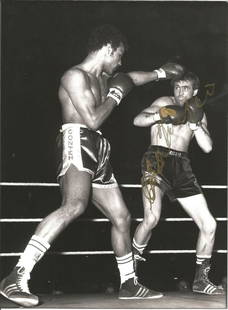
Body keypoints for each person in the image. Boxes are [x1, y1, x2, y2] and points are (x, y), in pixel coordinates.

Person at [0, 24, 185, 307]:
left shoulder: (103, 78)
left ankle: (129, 283)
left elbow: (130, 79)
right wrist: (115, 96)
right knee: (74, 205)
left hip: (98, 147)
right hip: (78, 138)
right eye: (119, 55)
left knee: (122, 217)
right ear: (108, 49)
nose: (120, 62)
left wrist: (159, 73)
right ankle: (17, 275)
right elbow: (93, 120)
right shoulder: (74, 77)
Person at [132, 71, 225, 295]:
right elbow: (137, 120)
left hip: (181, 166)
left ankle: (201, 280)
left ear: (194, 91)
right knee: (152, 218)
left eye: (185, 88)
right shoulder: (164, 102)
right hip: (156, 160)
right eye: (177, 87)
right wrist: (160, 115)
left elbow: (208, 147)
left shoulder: (198, 113)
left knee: (209, 224)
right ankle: (130, 271)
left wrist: (195, 125)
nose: (180, 92)